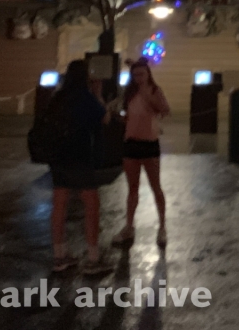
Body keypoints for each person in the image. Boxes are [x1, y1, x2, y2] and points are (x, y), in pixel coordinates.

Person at [48, 59, 114, 275]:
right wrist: (97, 93)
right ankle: (93, 258)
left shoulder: (58, 97)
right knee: (91, 204)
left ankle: (59, 255)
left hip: (58, 157)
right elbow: (104, 118)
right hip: (80, 156)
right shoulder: (85, 97)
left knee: (60, 204)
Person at [112, 57, 171, 248]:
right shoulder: (128, 93)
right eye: (135, 74)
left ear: (148, 74)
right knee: (132, 188)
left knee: (156, 186)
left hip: (149, 144)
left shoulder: (154, 90)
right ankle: (129, 225)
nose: (138, 78)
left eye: (141, 74)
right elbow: (127, 115)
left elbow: (164, 109)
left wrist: (147, 93)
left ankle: (162, 226)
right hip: (131, 143)